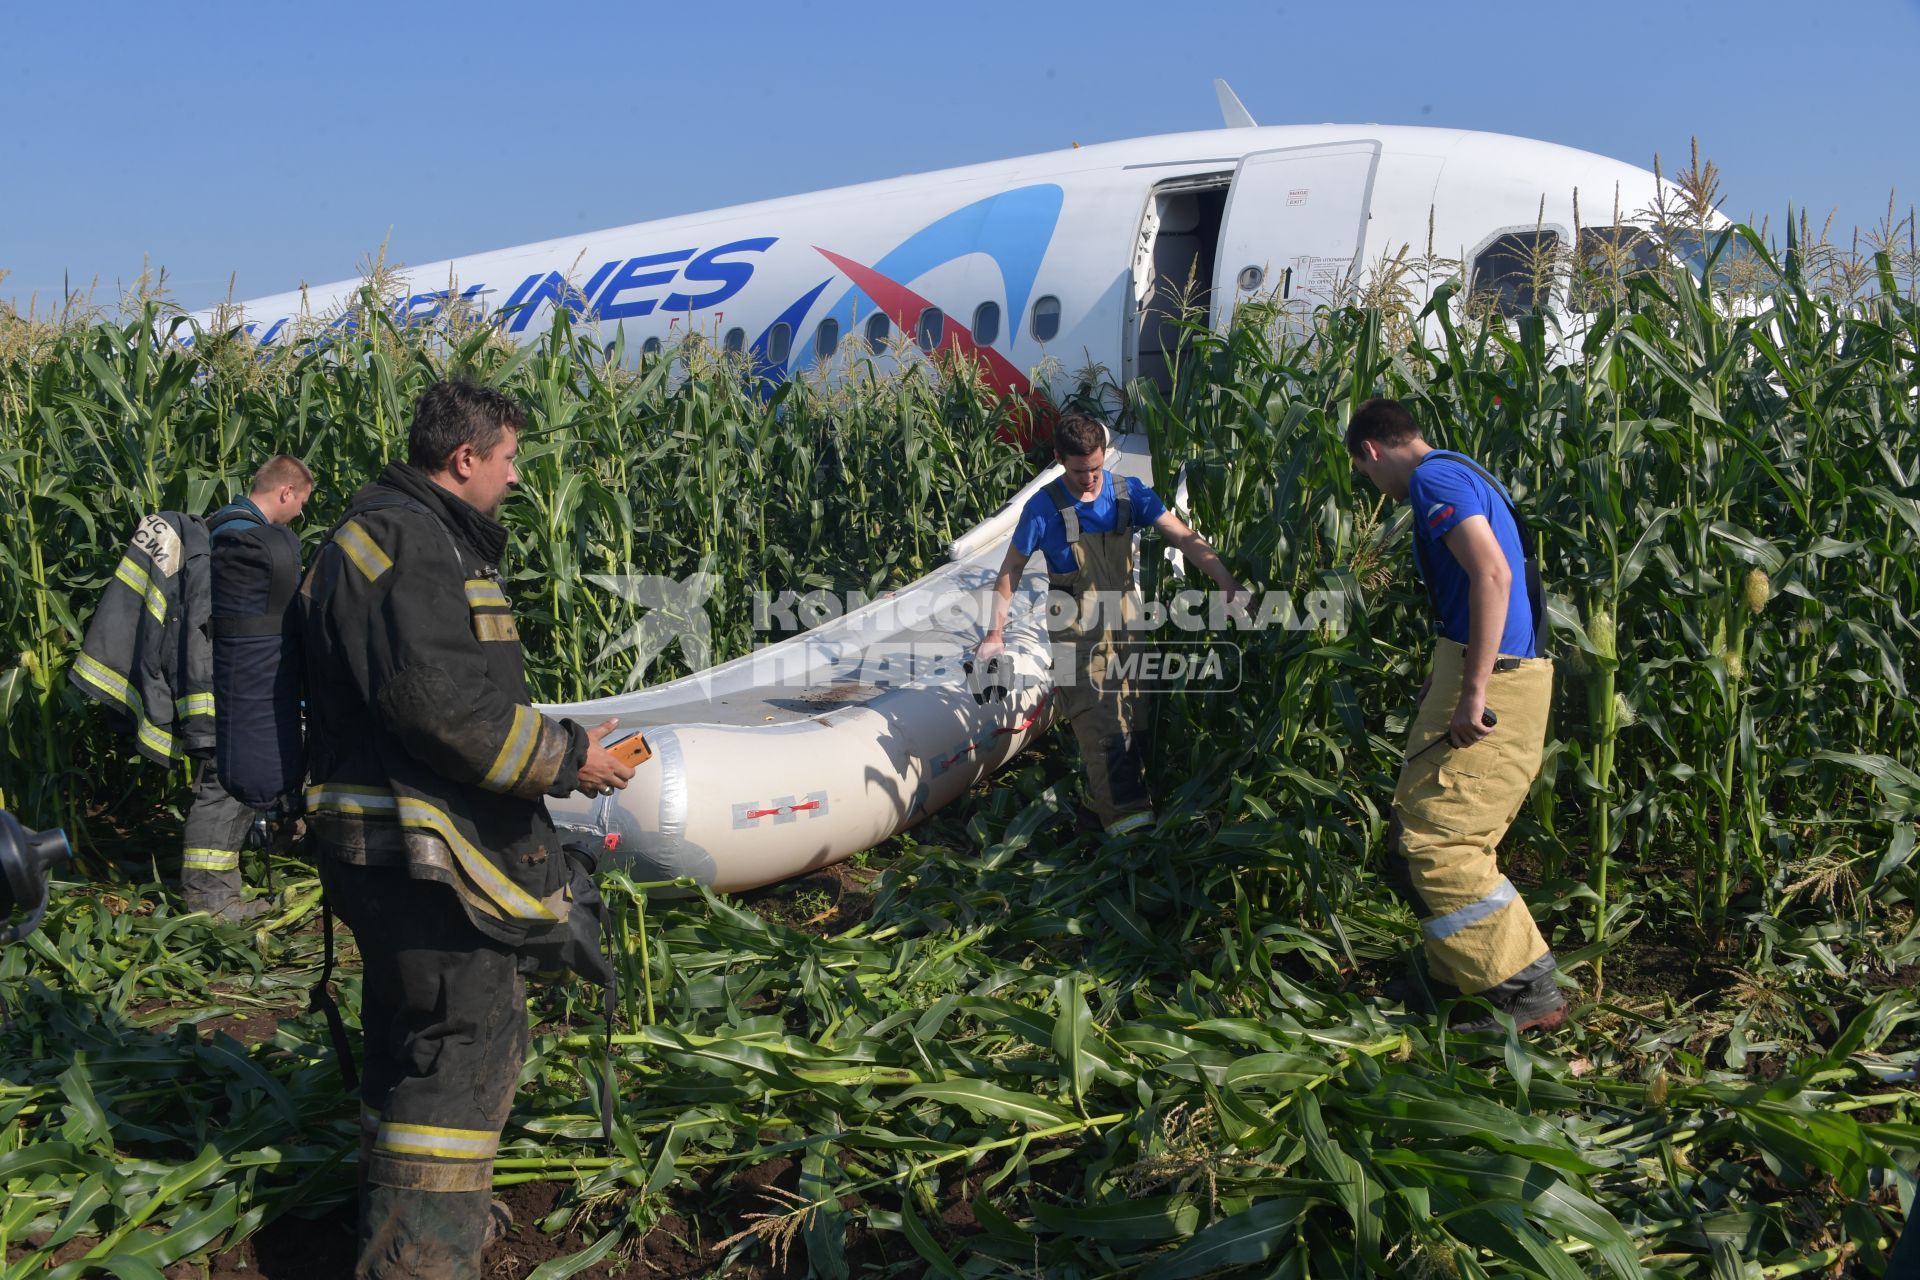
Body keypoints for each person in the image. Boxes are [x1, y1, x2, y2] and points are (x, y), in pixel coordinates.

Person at [300, 381, 633, 1279]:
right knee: (464, 1042)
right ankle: (420, 1260)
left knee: (411, 1035)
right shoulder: (411, 545)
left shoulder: (390, 535)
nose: (517, 477)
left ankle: (400, 1226)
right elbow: (441, 706)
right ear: (464, 460)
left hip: (380, 849)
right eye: (509, 459)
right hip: (418, 852)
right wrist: (571, 760)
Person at [1346, 397, 1566, 1034]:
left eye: (1366, 476)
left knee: (1441, 843)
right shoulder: (1459, 469)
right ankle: (1454, 972)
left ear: (1371, 451)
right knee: (1412, 827)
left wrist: (1473, 692)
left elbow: (1493, 577)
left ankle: (1526, 993)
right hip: (1475, 665)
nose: (1375, 488)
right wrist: (1443, 677)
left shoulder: (1432, 481)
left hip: (1495, 681)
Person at [976, 412, 1242, 835]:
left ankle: (1096, 807)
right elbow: (1010, 570)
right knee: (1103, 730)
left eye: (1097, 468)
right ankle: (1128, 841)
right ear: (1060, 460)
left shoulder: (1126, 494)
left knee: (1134, 720)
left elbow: (1184, 537)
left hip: (1127, 628)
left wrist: (1226, 583)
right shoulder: (1042, 508)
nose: (1090, 479)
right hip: (1073, 638)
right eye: (1080, 470)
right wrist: (995, 633)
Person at [182, 454, 313, 922]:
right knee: (224, 780)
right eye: (301, 503)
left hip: (236, 680)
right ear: (285, 493)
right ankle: (211, 902)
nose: (300, 513)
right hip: (232, 687)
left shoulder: (223, 528)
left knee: (235, 774)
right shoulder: (239, 536)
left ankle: (254, 858)